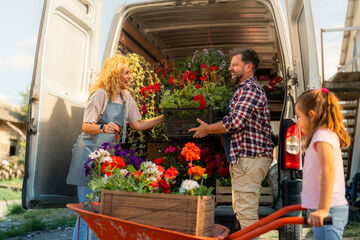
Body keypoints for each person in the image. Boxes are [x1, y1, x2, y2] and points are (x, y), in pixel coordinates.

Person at [66, 54, 164, 240]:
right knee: (89, 208)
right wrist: (104, 126)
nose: (130, 77)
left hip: (108, 159)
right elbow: (86, 126)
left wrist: (163, 118)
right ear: (114, 74)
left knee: (101, 209)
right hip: (88, 155)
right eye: (126, 73)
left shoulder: (126, 97)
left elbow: (138, 124)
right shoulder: (100, 94)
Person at [189, 48, 274, 230]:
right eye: (230, 64)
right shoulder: (243, 89)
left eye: (235, 64)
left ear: (249, 66)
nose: (230, 68)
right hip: (244, 159)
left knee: (247, 213)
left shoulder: (250, 89)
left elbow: (235, 122)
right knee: (243, 211)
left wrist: (207, 129)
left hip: (251, 158)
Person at [295, 88, 350, 239]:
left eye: (299, 116)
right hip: (323, 208)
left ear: (311, 115)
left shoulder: (322, 137)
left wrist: (323, 209)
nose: (298, 122)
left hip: (329, 209)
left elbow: (328, 171)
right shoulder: (322, 136)